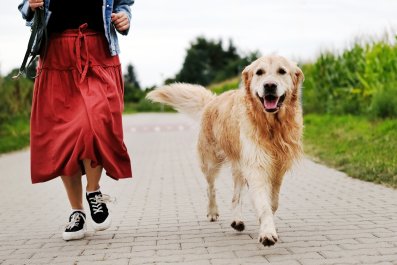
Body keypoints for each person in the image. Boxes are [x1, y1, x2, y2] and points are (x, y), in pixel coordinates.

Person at [18, 0, 134, 241]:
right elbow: (25, 9)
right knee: (65, 136)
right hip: (56, 56)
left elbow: (123, 4)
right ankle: (77, 212)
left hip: (98, 50)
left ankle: (93, 191)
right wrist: (30, 5)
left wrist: (123, 17)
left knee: (97, 121)